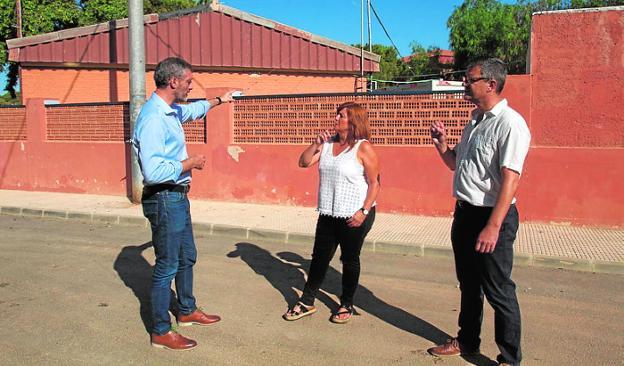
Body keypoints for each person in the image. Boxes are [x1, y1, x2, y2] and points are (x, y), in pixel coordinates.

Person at [428, 58, 530, 366]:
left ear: (491, 84)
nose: (464, 84)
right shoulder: (474, 121)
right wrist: (443, 146)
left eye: (469, 79)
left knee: (498, 290)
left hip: (491, 218)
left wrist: (493, 226)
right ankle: (468, 341)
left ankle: (509, 359)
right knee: (469, 285)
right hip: (465, 214)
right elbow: (456, 165)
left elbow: (511, 180)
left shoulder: (510, 123)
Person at [132, 57, 236, 350]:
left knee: (187, 256)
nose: (191, 86)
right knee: (167, 265)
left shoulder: (172, 110)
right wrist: (189, 162)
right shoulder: (153, 118)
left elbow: (194, 110)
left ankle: (187, 309)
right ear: (173, 82)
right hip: (164, 196)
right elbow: (152, 172)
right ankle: (161, 331)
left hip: (177, 196)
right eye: (189, 82)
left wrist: (219, 100)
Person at [282, 102, 380, 324]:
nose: (336, 118)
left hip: (355, 214)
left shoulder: (363, 148)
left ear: (353, 121)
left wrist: (363, 211)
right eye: (337, 115)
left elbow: (375, 184)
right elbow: (303, 162)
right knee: (319, 258)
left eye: (341, 116)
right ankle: (307, 301)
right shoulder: (327, 144)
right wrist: (315, 144)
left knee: (349, 259)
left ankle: (346, 303)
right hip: (328, 211)